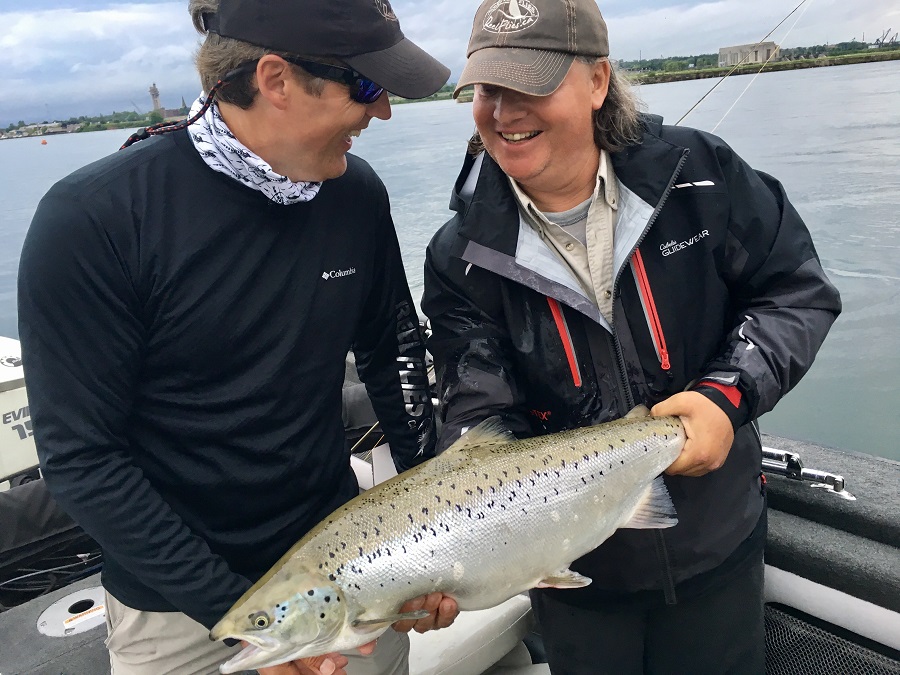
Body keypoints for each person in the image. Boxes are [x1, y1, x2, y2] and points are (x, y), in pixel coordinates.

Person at [17, 0, 460, 673]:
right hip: (176, 605)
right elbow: (82, 457)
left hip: (345, 563)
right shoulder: (96, 219)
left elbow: (392, 346)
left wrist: (429, 531)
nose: (384, 111)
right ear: (276, 79)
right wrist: (244, 626)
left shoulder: (355, 194)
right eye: (367, 87)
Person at [421, 0, 842, 673]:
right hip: (577, 578)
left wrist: (729, 392)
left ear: (597, 82)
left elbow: (796, 289)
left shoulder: (702, 173)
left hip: (718, 547)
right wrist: (453, 547)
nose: (503, 111)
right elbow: (476, 412)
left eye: (530, 84)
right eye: (487, 88)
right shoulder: (457, 254)